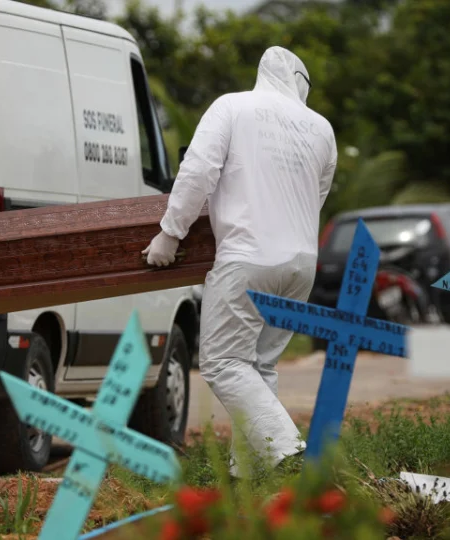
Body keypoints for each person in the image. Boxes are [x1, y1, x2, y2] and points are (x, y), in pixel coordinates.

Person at [142, 47, 337, 477]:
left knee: (221, 362)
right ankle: (247, 477)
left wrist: (170, 233)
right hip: (301, 264)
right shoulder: (322, 129)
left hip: (249, 258)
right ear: (301, 84)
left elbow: (197, 172)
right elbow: (315, 195)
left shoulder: (232, 107)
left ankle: (287, 453)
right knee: (259, 366)